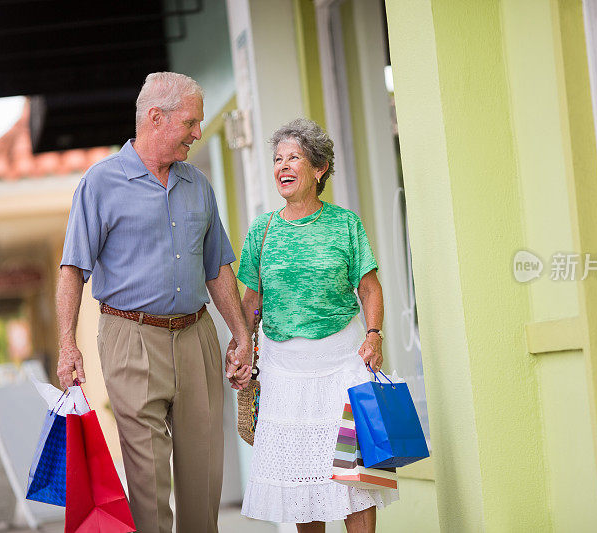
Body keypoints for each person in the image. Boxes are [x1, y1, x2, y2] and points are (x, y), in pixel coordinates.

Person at [56, 72, 252, 533]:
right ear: (155, 118)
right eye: (191, 122)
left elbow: (218, 266)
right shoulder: (100, 183)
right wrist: (67, 344)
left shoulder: (198, 184)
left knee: (204, 475)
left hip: (197, 335)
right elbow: (72, 271)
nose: (198, 133)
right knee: (147, 479)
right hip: (131, 337)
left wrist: (241, 334)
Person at [232, 118, 398, 532]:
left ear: (319, 168)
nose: (282, 167)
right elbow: (251, 301)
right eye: (277, 159)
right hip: (285, 369)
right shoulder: (262, 231)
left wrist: (374, 335)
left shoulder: (345, 224)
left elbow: (369, 289)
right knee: (301, 482)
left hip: (343, 360)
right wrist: (240, 345)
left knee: (355, 477)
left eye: (293, 158)